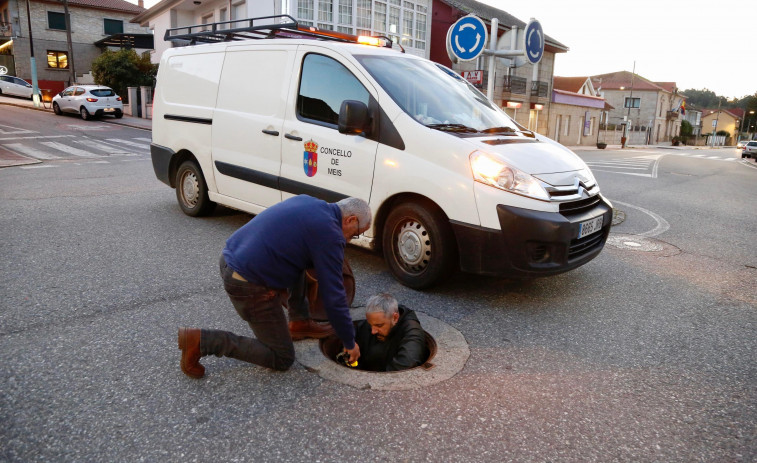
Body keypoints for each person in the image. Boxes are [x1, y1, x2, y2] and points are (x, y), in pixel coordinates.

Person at [178, 195, 371, 378]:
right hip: (246, 282)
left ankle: (299, 322)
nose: (348, 241)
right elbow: (334, 297)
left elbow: (298, 254)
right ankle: (202, 341)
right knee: (282, 357)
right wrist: (349, 341)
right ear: (350, 220)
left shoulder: (310, 203)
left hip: (231, 257)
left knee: (301, 261)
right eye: (354, 235)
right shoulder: (330, 234)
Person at [353, 293, 429, 372]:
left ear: (395, 318)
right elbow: (356, 330)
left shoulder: (412, 332)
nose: (373, 331)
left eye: (379, 325)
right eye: (370, 325)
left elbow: (406, 364)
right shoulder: (377, 320)